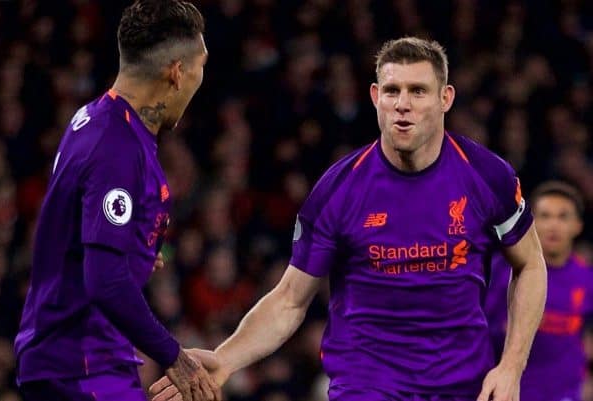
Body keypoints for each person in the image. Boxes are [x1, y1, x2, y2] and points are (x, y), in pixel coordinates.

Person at [151, 36, 547, 401]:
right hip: (366, 384)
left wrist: (511, 367)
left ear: (446, 98)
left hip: (461, 386)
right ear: (375, 97)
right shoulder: (338, 190)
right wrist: (226, 359)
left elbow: (531, 264)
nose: (402, 104)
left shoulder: (486, 176)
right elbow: (290, 300)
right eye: (392, 91)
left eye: (418, 91)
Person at [13, 1, 220, 401]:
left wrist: (133, 250)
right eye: (201, 67)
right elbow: (104, 279)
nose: (199, 81)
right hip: (81, 364)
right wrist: (173, 356)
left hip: (72, 357)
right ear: (177, 72)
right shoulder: (117, 147)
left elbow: (80, 229)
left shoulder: (93, 119)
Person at [485, 181, 593, 401]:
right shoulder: (501, 270)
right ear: (531, 222)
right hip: (510, 391)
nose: (553, 225)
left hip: (566, 393)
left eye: (563, 217)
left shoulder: (587, 278)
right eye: (544, 216)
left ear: (578, 226)